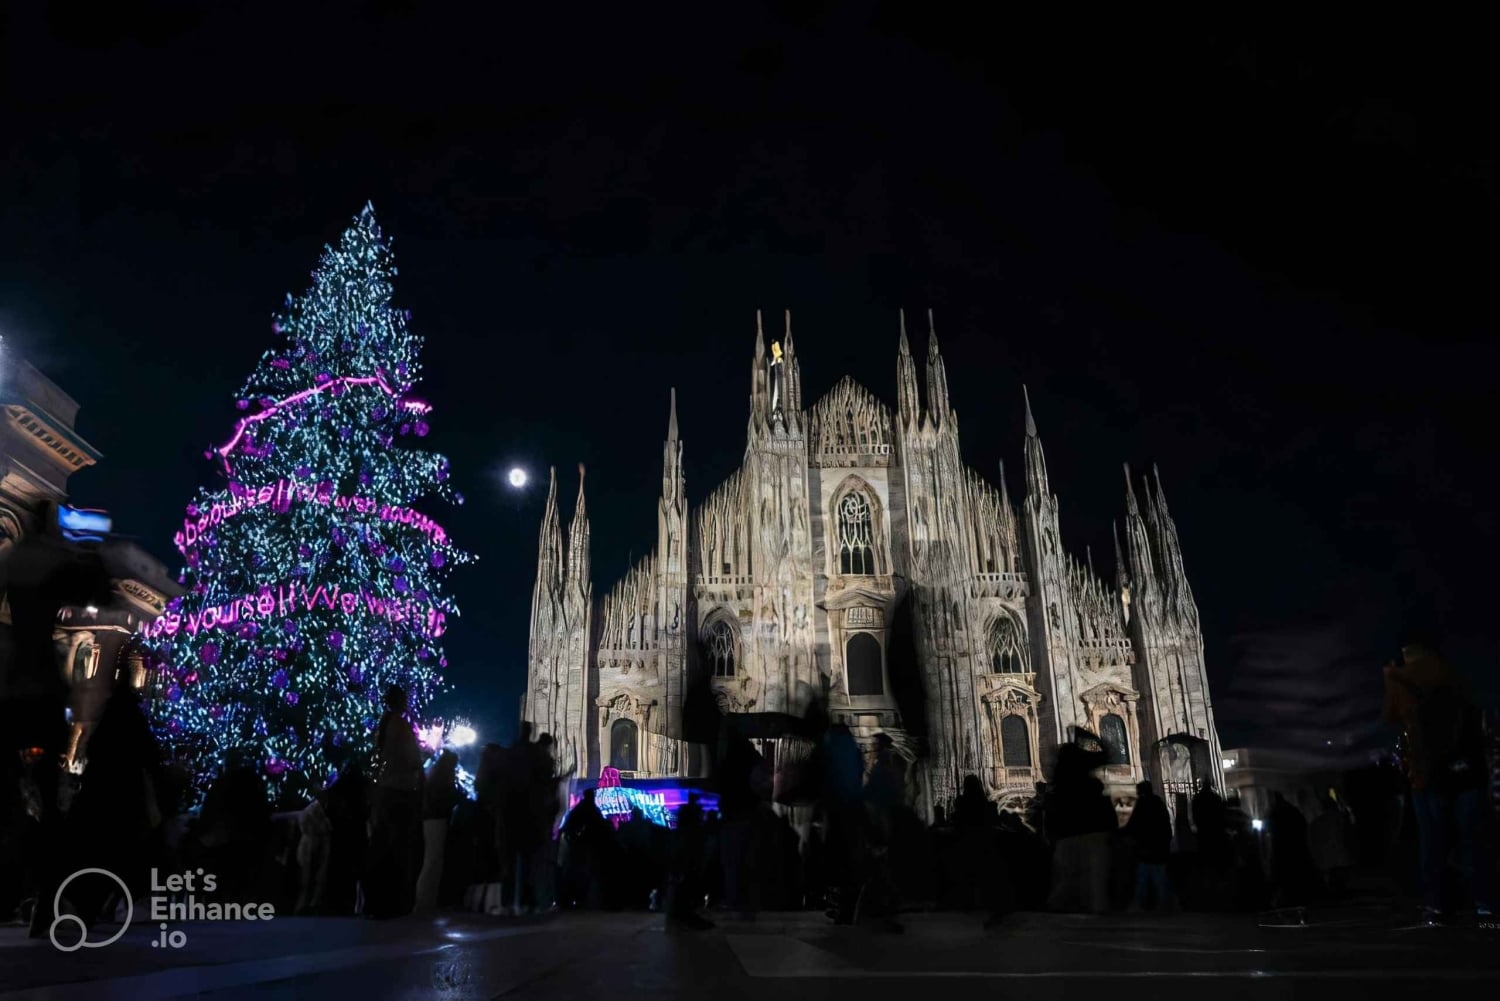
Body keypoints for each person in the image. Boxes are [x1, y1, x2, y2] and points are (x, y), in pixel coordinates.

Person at [1383, 629, 1494, 921]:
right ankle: (1485, 901)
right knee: (1474, 838)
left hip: (1428, 772)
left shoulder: (1398, 678)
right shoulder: (1455, 672)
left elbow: (1390, 717)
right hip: (1467, 768)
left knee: (1433, 841)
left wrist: (1392, 676)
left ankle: (1437, 904)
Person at [367, 685, 424, 918]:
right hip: (399, 791)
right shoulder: (399, 725)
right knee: (398, 847)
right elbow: (410, 759)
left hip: (385, 789)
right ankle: (392, 902)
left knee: (383, 845)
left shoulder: (384, 723)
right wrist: (422, 758)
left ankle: (377, 902)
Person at [414, 750, 462, 914]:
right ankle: (424, 902)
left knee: (432, 861)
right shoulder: (442, 781)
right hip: (437, 820)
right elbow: (446, 799)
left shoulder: (434, 777)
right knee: (433, 861)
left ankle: (426, 901)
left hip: (431, 819)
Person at [1124, 782, 1172, 912]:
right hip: (1159, 847)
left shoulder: (1141, 805)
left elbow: (1133, 826)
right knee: (1160, 877)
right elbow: (1166, 825)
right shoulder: (1158, 803)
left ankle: (1141, 904)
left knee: (1142, 878)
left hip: (1145, 847)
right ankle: (1163, 904)